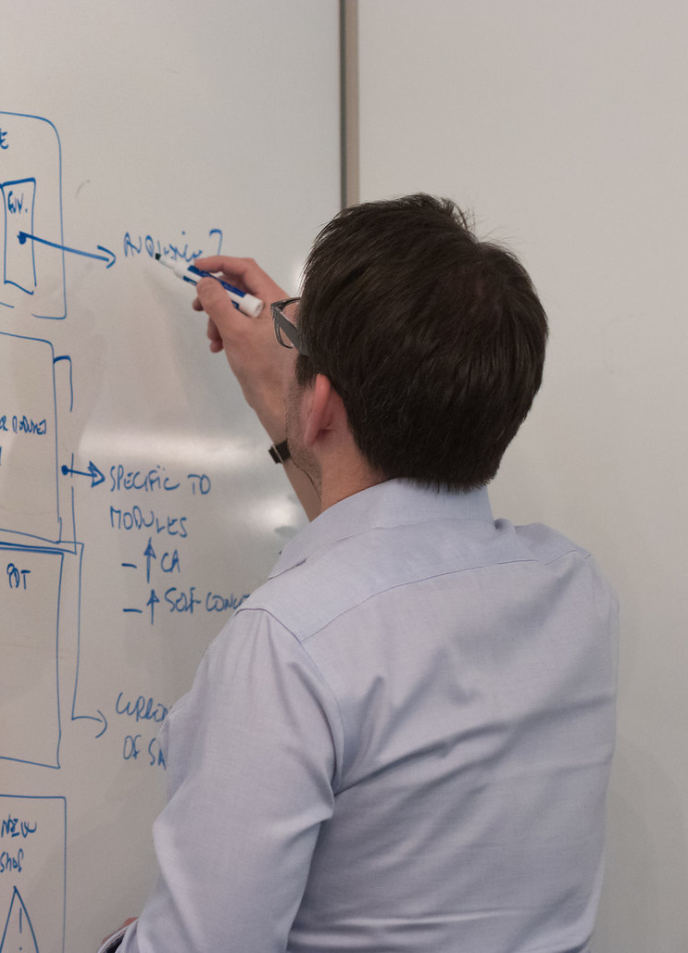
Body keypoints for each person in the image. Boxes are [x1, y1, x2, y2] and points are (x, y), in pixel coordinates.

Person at [102, 195, 618, 953]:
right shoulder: (574, 591)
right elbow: (383, 564)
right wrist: (293, 401)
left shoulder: (288, 645)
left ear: (319, 407)